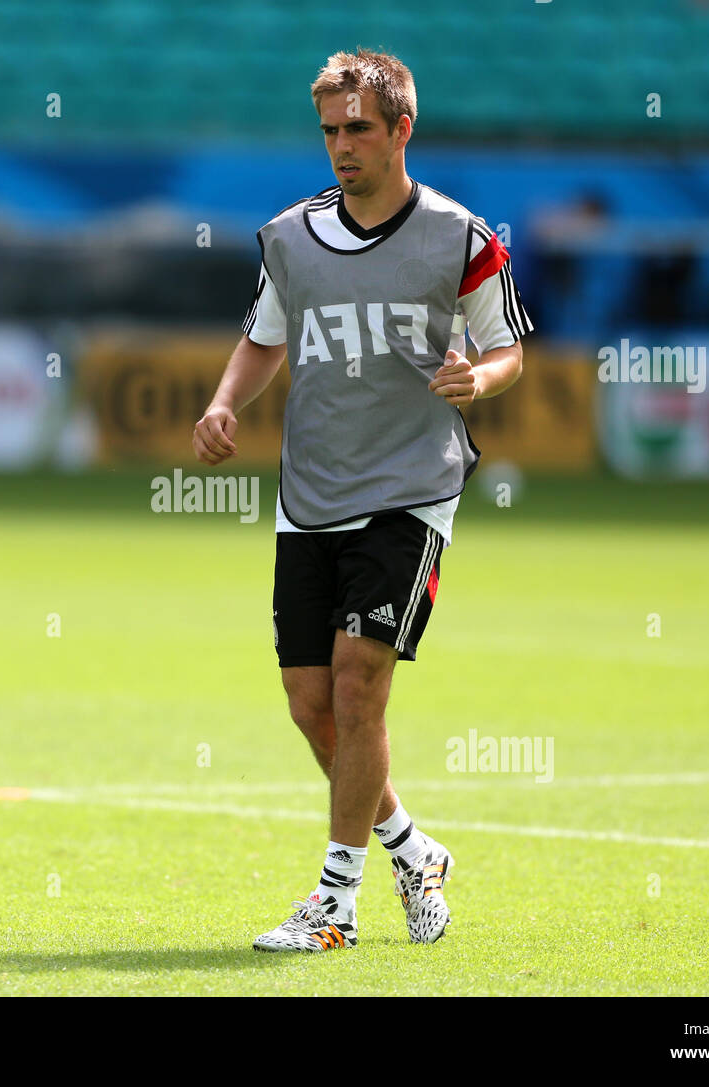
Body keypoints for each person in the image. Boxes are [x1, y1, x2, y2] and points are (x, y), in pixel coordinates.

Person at [192, 49, 532, 952]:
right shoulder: (290, 237)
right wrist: (226, 402)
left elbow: (507, 349)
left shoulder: (461, 236)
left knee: (358, 684)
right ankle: (413, 849)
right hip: (311, 491)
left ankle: (334, 904)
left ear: (401, 130)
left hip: (411, 489)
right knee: (314, 706)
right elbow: (264, 337)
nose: (341, 147)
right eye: (330, 131)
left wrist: (478, 378)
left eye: (359, 130)